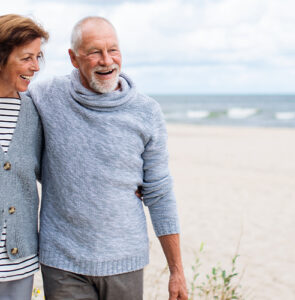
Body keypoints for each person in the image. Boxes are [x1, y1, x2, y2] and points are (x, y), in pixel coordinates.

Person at [28, 16, 188, 300]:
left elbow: (160, 193)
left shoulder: (146, 112)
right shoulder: (45, 96)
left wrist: (176, 271)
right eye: (94, 52)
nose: (107, 60)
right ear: (74, 58)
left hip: (124, 260)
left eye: (113, 50)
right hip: (62, 262)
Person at [0, 14, 49, 300]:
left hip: (19, 266)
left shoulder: (35, 113)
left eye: (38, 57)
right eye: (26, 58)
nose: (35, 67)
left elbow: (57, 170)